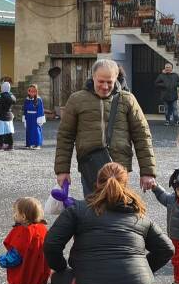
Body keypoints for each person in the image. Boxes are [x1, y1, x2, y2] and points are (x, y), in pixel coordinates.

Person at [44, 162, 174, 284]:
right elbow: (167, 249)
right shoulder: (140, 215)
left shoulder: (78, 210)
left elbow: (51, 244)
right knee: (134, 278)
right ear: (126, 183)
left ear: (97, 183)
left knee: (57, 278)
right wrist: (145, 268)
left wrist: (62, 268)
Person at [54, 59, 156, 198]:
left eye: (109, 82)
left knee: (117, 211)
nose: (105, 86)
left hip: (119, 168)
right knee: (93, 210)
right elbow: (65, 137)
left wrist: (147, 172)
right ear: (93, 77)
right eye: (101, 81)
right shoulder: (76, 100)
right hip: (90, 167)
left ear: (116, 78)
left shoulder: (127, 100)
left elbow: (142, 136)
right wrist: (62, 170)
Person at [0, 197, 50, 284]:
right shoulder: (42, 229)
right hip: (39, 272)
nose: (14, 215)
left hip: (27, 273)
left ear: (23, 216)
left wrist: (1, 260)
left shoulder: (24, 233)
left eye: (16, 213)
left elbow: (15, 256)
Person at [0, 81, 15, 151]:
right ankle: (11, 145)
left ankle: (0, 145)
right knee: (9, 132)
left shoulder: (0, 98)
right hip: (9, 116)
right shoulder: (11, 97)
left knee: (1, 132)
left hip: (2, 116)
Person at [23, 84, 45, 150]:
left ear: (36, 91)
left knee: (36, 130)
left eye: (33, 91)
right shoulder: (26, 100)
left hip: (35, 117)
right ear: (28, 91)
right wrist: (25, 118)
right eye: (30, 91)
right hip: (29, 117)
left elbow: (40, 109)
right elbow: (25, 109)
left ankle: (37, 144)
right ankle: (29, 144)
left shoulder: (38, 99)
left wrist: (39, 119)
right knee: (29, 130)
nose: (32, 92)